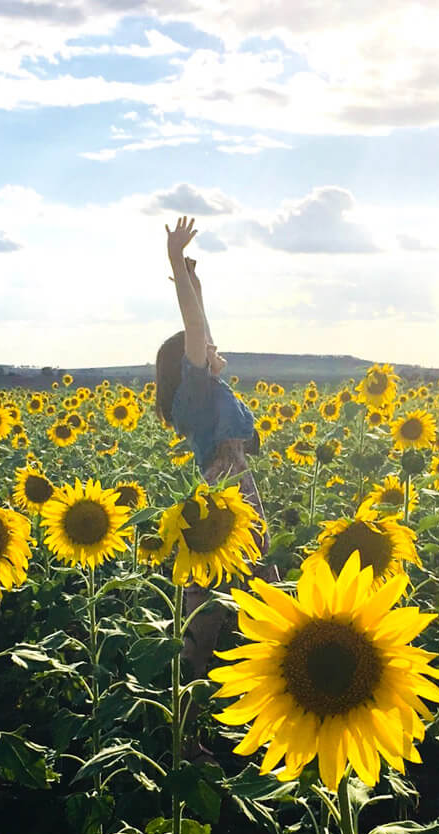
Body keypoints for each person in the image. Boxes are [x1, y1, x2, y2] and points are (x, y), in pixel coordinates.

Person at [156, 215, 279, 682]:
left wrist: (194, 283)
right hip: (225, 494)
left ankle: (242, 682)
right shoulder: (196, 394)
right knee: (206, 607)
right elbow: (193, 331)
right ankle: (186, 700)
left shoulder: (203, 391)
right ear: (188, 363)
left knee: (256, 593)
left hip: (240, 490)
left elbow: (199, 332)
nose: (212, 346)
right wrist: (174, 264)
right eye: (203, 348)